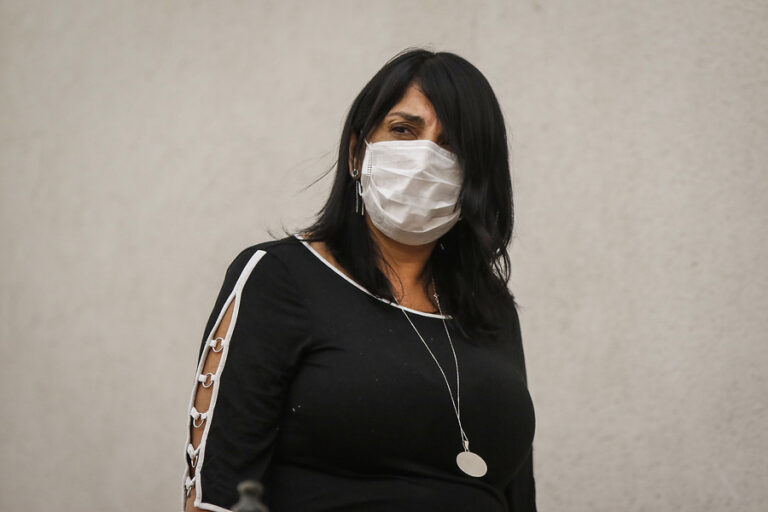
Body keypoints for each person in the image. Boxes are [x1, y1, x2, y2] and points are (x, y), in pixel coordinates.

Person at [182, 47, 537, 512]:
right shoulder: (280, 278)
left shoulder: (491, 310)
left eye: (452, 144)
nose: (425, 157)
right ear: (356, 152)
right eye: (403, 130)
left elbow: (518, 493)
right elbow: (217, 496)